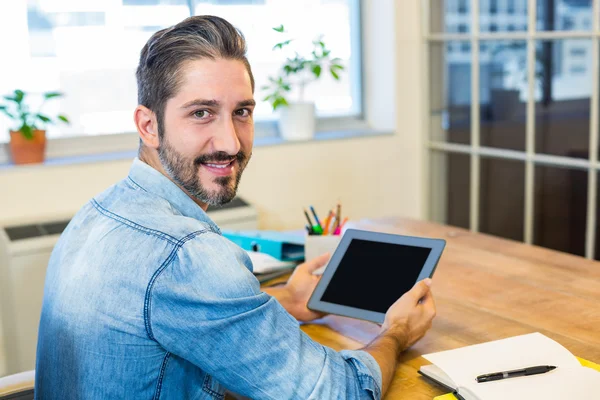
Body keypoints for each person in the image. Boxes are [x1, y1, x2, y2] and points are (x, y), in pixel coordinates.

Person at [35, 15, 436, 399]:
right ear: (148, 125)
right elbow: (340, 392)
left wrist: (285, 301)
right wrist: (396, 331)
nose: (230, 142)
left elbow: (167, 319)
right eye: (202, 113)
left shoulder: (98, 213)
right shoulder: (188, 254)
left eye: (241, 112)